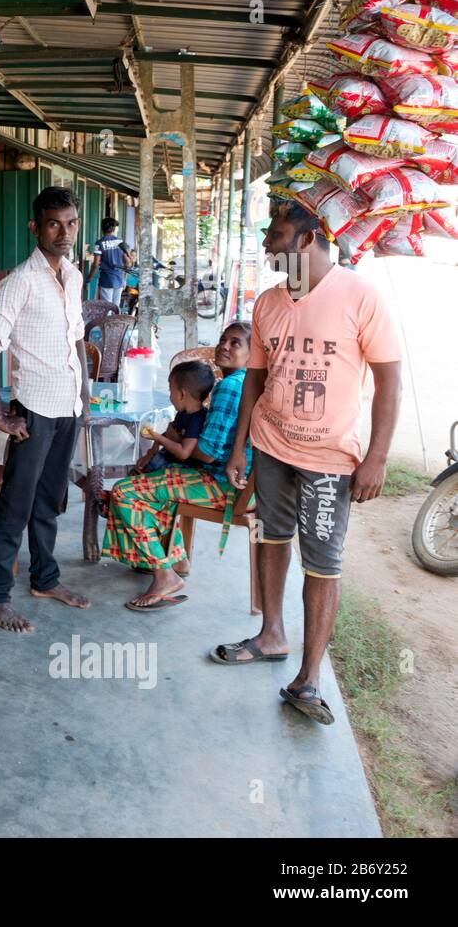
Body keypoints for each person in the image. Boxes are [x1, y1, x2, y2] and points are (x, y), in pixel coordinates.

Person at [212, 200, 402, 727]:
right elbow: (254, 376)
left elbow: (389, 381)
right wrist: (240, 446)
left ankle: (309, 677)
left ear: (305, 241)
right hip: (272, 446)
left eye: (276, 235)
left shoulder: (361, 297)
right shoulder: (269, 302)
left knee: (323, 561)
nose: (268, 244)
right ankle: (271, 635)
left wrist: (377, 456)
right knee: (270, 537)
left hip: (329, 458)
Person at [0, 186, 92, 634]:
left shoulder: (74, 277)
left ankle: (46, 580)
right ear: (35, 227)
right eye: (53, 223)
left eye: (71, 223)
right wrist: (1, 414)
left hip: (66, 407)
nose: (64, 233)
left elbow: (77, 337)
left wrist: (84, 397)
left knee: (50, 501)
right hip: (34, 411)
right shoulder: (19, 281)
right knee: (16, 505)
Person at [103, 321, 253, 610]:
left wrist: (177, 443)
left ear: (252, 354)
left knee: (125, 492)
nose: (224, 346)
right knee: (159, 477)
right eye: (223, 339)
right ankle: (174, 559)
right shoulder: (242, 381)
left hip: (224, 486)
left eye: (236, 343)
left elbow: (206, 454)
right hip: (239, 484)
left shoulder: (230, 388)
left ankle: (165, 574)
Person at [132, 360, 214, 475]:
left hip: (184, 468)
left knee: (143, 474)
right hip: (169, 457)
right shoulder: (183, 412)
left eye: (170, 390)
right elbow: (169, 433)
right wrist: (151, 451)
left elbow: (183, 452)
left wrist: (158, 437)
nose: (170, 396)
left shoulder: (197, 419)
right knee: (138, 470)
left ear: (182, 394)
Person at [86, 217, 135, 307]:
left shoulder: (99, 243)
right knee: (116, 308)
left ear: (102, 228)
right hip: (119, 279)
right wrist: (124, 280)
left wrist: (88, 279)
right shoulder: (120, 242)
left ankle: (108, 321)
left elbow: (96, 263)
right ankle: (116, 321)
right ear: (114, 228)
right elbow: (127, 263)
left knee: (107, 308)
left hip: (107, 280)